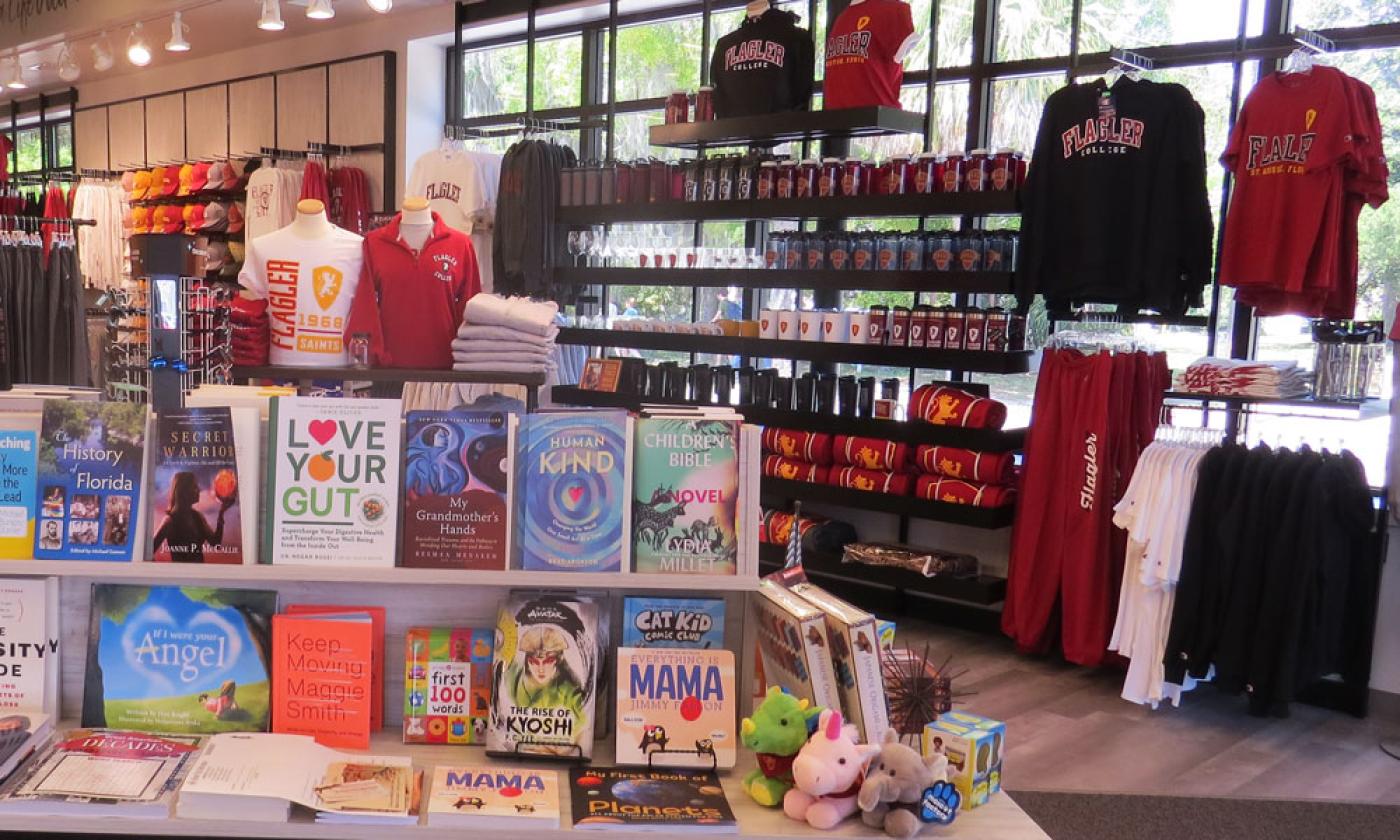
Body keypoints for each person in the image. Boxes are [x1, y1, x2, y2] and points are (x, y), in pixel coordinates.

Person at [153, 471, 233, 563]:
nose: (199, 490)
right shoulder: (170, 521)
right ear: (184, 491)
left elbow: (215, 543)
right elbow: (149, 550)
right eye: (194, 487)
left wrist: (221, 513)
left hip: (200, 574)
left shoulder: (197, 517)